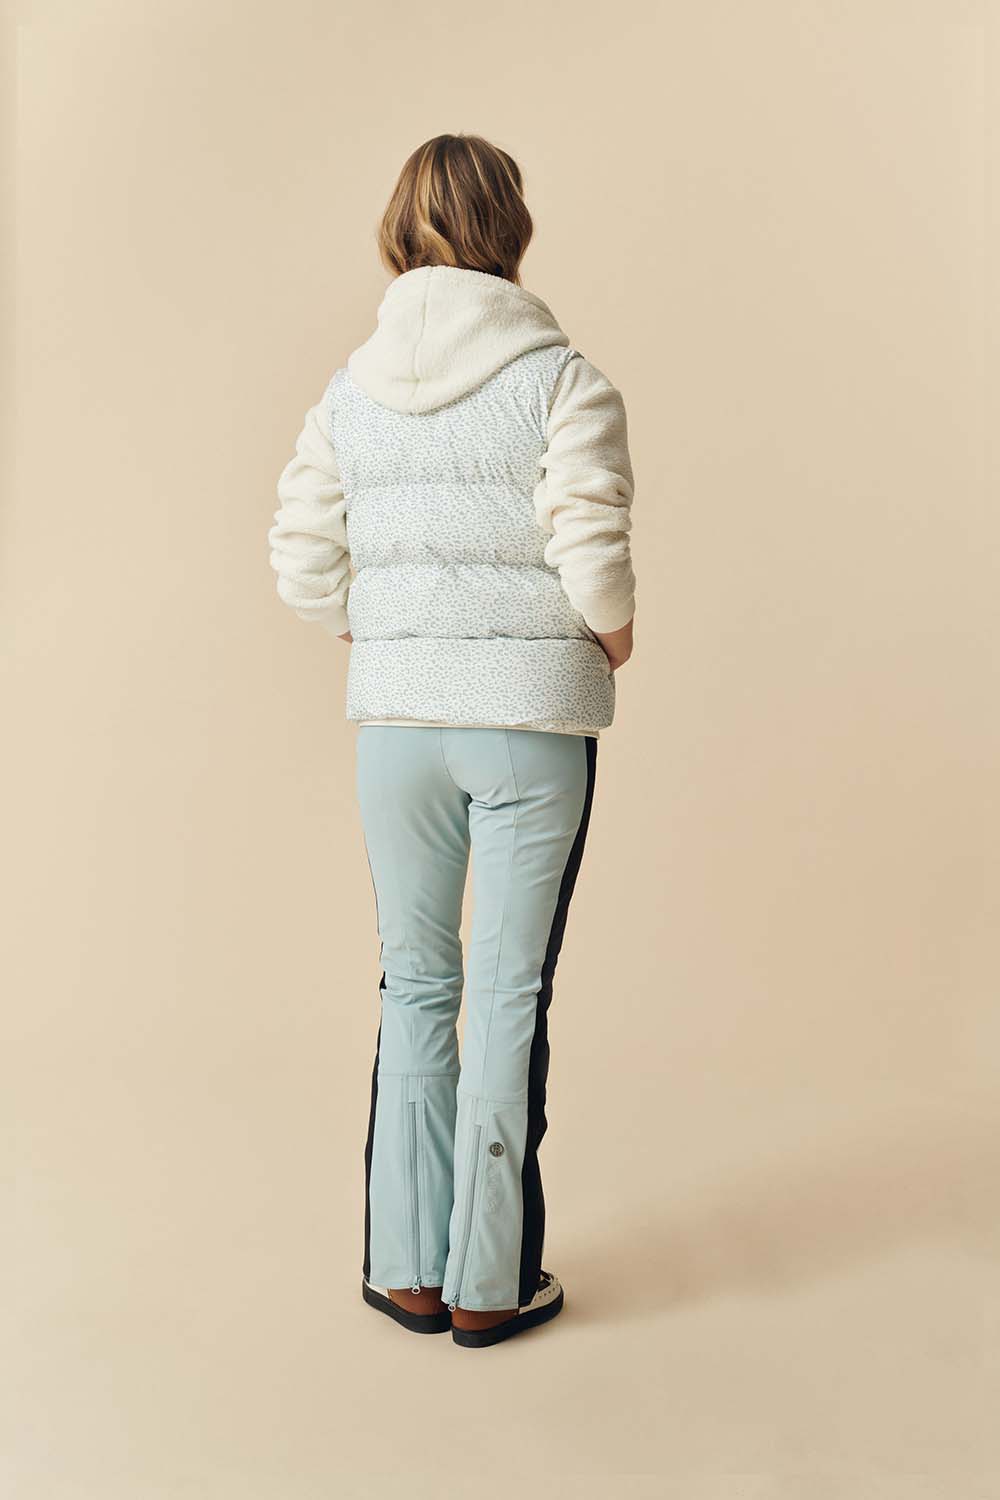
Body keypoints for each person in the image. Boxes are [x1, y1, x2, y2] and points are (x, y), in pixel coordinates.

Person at [268, 134, 636, 1348]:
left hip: (398, 726)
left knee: (415, 983)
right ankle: (489, 1285)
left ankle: (405, 1272)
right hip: (530, 719)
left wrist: (370, 627)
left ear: (400, 229)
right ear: (509, 228)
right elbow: (590, 537)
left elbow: (300, 558)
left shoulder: (348, 390)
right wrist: (612, 634)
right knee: (506, 992)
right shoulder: (561, 378)